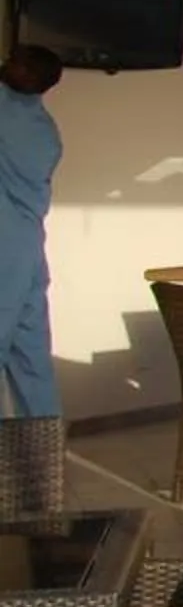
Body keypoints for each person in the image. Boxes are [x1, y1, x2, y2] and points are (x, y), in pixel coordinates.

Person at [0, 44, 65, 418]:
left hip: (5, 248)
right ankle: (42, 459)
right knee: (31, 358)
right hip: (27, 251)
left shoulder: (6, 113)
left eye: (15, 62)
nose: (7, 64)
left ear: (31, 76)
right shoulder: (46, 130)